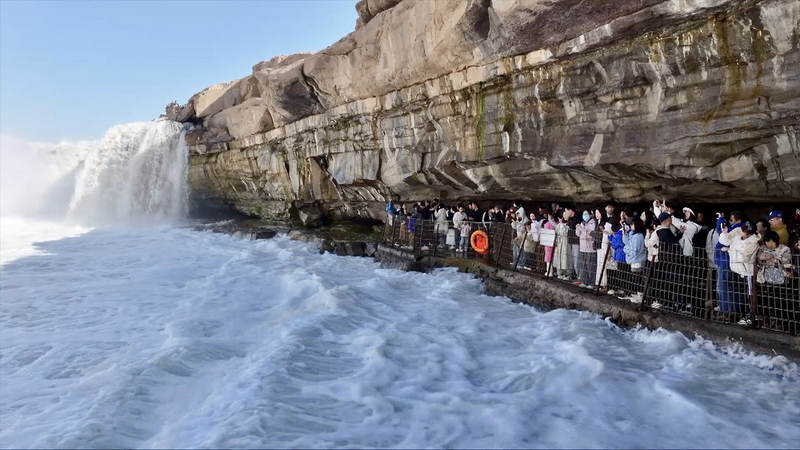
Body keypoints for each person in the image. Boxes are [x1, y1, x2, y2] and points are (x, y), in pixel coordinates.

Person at [719, 221, 761, 325]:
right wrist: (725, 233)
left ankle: (752, 316)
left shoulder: (754, 243)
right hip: (735, 268)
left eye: (744, 231)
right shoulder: (737, 232)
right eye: (742, 229)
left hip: (747, 271)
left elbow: (744, 257)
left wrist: (730, 250)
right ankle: (744, 315)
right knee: (741, 293)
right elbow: (725, 241)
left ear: (749, 234)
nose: (741, 231)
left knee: (750, 294)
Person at [715, 211, 745, 314]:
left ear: (738, 220)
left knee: (725, 287)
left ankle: (727, 309)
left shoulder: (737, 229)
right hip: (731, 262)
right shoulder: (741, 229)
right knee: (732, 287)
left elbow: (723, 236)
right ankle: (733, 308)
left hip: (725, 261)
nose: (730, 223)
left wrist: (721, 220)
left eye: (731, 220)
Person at [623, 218, 648, 303]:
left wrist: (625, 249)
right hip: (634, 260)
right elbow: (627, 242)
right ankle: (637, 294)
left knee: (638, 278)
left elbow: (634, 250)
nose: (631, 226)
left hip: (637, 260)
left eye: (632, 224)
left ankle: (640, 295)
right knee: (635, 277)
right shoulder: (633, 234)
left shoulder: (638, 236)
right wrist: (625, 235)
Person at [576, 209, 597, 289]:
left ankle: (591, 283)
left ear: (590, 215)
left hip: (590, 248)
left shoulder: (592, 223)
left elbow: (590, 235)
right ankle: (585, 281)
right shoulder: (582, 223)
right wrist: (578, 228)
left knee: (590, 267)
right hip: (582, 247)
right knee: (583, 265)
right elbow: (578, 234)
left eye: (586, 214)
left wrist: (582, 229)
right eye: (584, 214)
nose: (585, 216)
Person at [554, 211, 573, 280]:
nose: (560, 219)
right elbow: (556, 233)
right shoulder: (558, 226)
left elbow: (566, 233)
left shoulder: (567, 225)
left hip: (565, 242)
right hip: (559, 242)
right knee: (558, 256)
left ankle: (567, 273)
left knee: (565, 256)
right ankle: (560, 272)